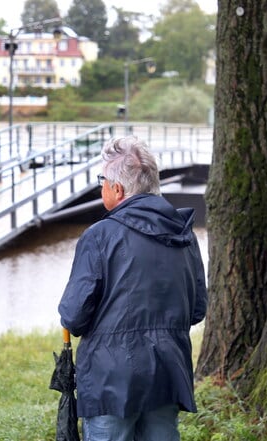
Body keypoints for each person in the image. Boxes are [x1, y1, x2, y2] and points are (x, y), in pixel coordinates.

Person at [58, 135, 208, 441]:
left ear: (117, 188)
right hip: (168, 372)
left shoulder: (99, 236)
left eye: (102, 180)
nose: (101, 187)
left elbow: (73, 317)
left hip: (110, 379)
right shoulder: (184, 234)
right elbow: (197, 310)